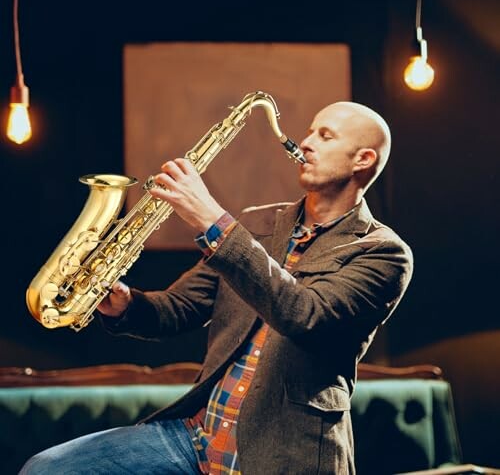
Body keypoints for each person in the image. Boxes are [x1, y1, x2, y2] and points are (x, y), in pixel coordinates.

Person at [20, 101, 413, 474]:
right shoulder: (257, 224)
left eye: (325, 136)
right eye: (309, 132)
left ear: (363, 159)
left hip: (286, 451)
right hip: (197, 434)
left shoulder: (383, 253)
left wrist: (214, 221)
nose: (306, 142)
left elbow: (304, 315)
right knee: (47, 468)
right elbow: (179, 308)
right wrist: (125, 304)